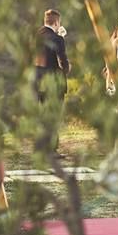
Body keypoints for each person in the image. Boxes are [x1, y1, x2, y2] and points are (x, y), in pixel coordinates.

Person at [34, 9, 70, 153]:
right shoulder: (57, 39)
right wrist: (67, 68)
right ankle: (51, 150)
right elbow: (63, 63)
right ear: (56, 22)